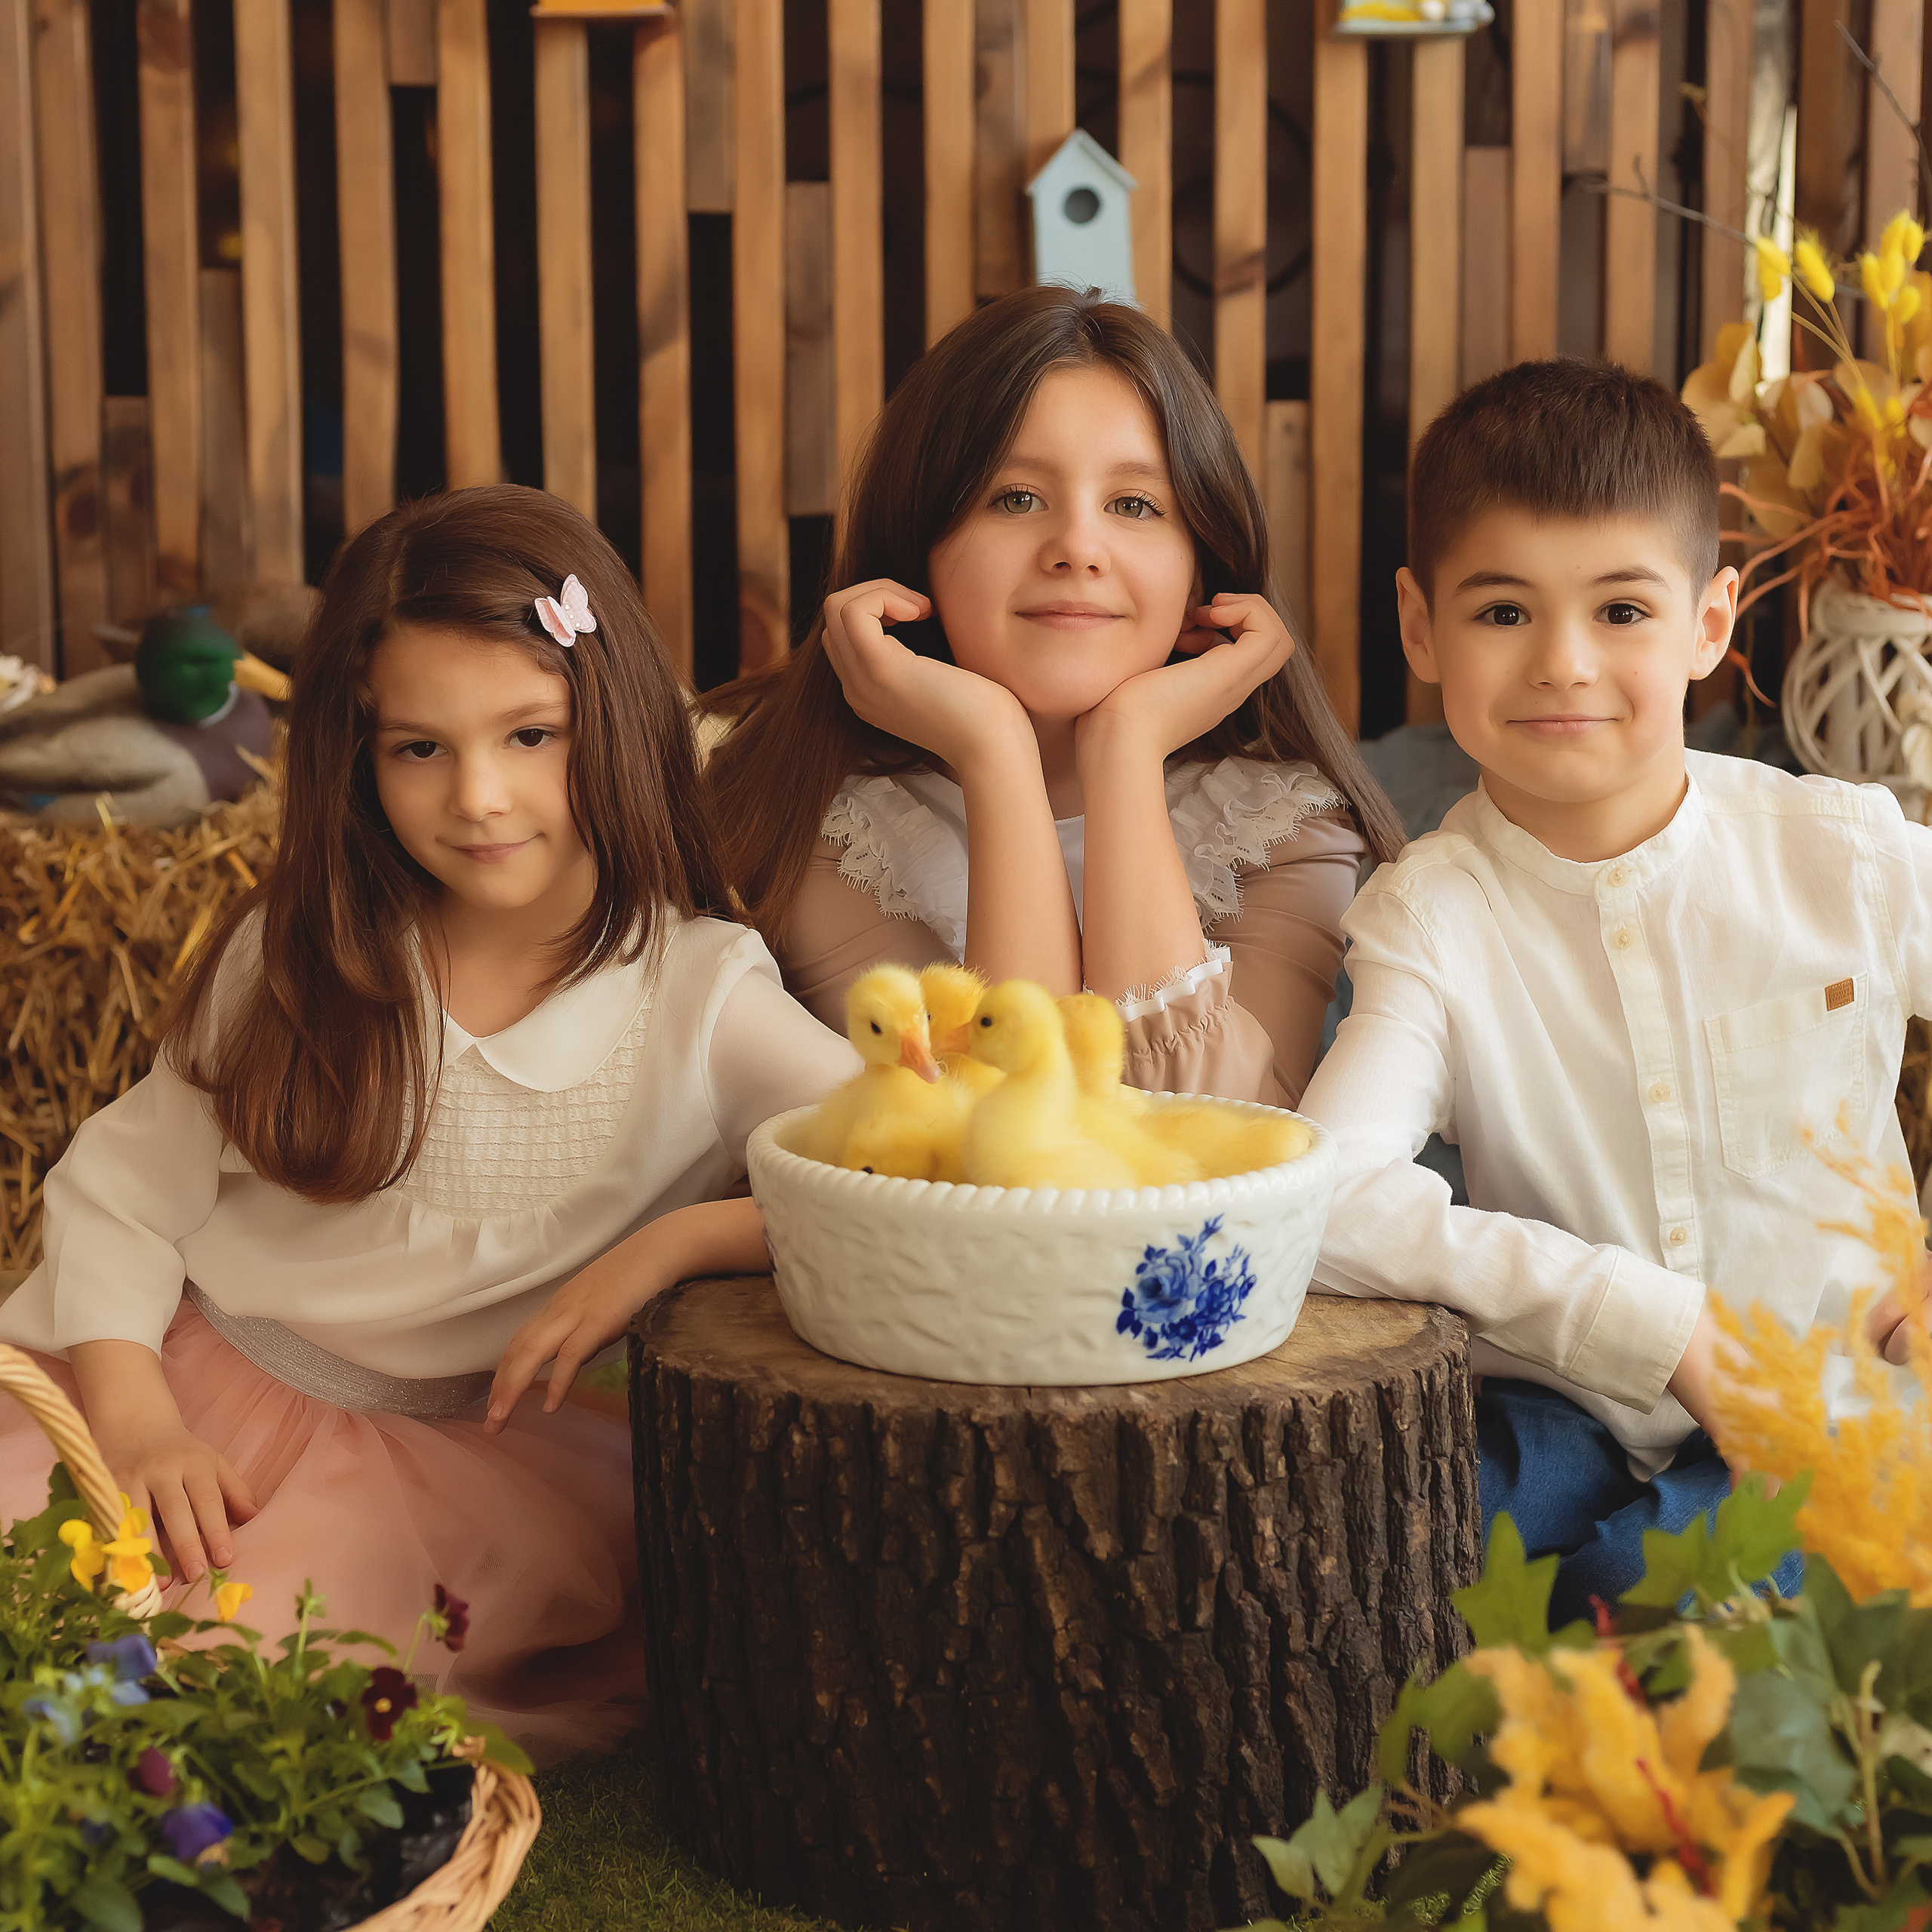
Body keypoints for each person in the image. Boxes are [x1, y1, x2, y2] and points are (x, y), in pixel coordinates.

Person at [0, 485, 856, 1759]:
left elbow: (898, 1167)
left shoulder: (701, 996)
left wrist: (673, 1245)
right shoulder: (303, 958)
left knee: (243, 1698)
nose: (481, 799)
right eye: (420, 748)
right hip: (171, 1378)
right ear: (356, 755)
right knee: (52, 1637)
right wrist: (137, 1426)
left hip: (438, 1477)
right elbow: (122, 1196)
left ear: (612, 721)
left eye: (530, 735)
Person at [1300, 359, 1929, 1623]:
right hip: (1569, 1407)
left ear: (1711, 621)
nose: (1564, 664)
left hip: (1839, 1402)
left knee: (1679, 1604)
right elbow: (1322, 1197)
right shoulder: (1431, 913)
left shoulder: (1841, 851)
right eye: (1504, 613)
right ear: (1421, 628)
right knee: (1418, 1561)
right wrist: (1659, 1329)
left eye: (1623, 612)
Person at [704, 285, 1404, 1108]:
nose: (1077, 546)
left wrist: (1126, 747)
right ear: (917, 545)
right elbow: (990, 1151)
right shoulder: (817, 819)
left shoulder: (1283, 830)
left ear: (1201, 570)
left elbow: (1205, 1151)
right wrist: (992, 747)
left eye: (1134, 504)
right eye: (1016, 498)